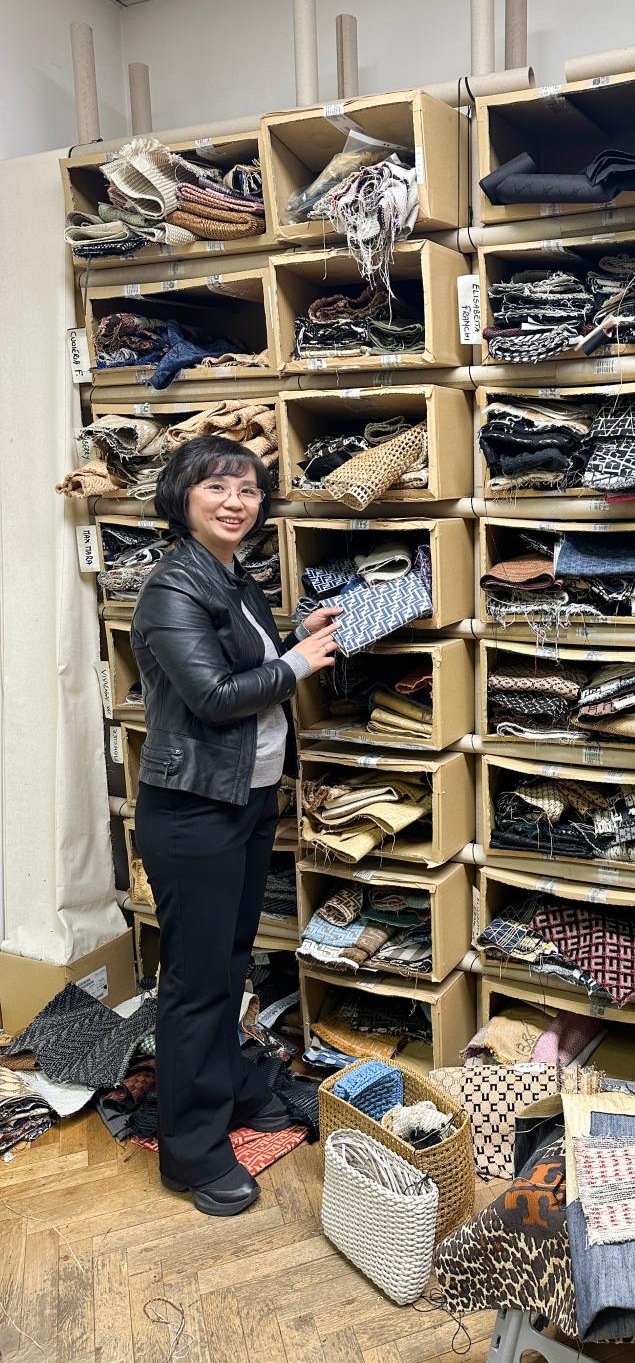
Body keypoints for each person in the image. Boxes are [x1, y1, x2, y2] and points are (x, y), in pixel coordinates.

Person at [131, 435, 340, 1216]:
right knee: (194, 982)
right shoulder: (170, 588)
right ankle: (190, 1153)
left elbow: (248, 666)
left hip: (244, 803)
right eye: (217, 486)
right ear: (182, 495)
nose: (236, 501)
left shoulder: (234, 576)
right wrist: (298, 664)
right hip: (192, 811)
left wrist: (294, 638)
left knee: (227, 965)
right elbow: (215, 696)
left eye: (249, 489)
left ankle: (225, 1091)